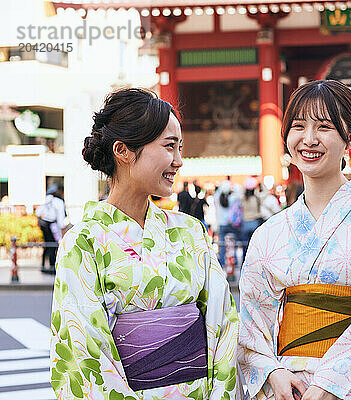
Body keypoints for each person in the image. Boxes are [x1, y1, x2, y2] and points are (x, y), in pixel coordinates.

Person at [238, 80, 351, 400]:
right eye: (298, 126)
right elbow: (250, 330)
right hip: (290, 389)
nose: (308, 139)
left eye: (324, 127)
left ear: (350, 137)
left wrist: (330, 385)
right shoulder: (269, 234)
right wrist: (271, 372)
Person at [50, 88, 239, 399]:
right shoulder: (84, 241)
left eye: (180, 148)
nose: (179, 161)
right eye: (168, 147)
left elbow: (225, 325)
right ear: (123, 150)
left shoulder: (190, 231)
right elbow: (84, 352)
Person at [36, 184, 67, 273]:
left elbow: (38, 212)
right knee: (52, 245)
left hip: (43, 223)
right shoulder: (59, 201)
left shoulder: (48, 198)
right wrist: (62, 229)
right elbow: (60, 218)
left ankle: (44, 265)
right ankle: (51, 266)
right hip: (50, 224)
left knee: (47, 244)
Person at [240, 181, 262, 262]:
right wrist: (260, 184)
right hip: (254, 223)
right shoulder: (256, 198)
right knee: (255, 247)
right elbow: (265, 194)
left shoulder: (243, 199)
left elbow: (240, 192)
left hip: (245, 223)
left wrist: (245, 187)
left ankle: (245, 263)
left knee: (245, 247)